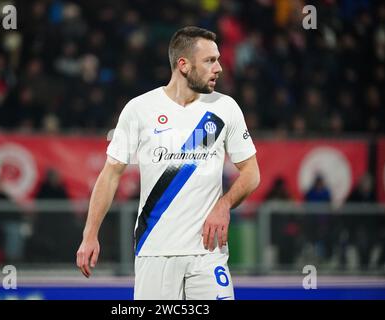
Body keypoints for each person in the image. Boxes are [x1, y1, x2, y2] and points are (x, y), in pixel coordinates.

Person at [76, 26, 260, 300]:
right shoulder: (139, 109)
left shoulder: (225, 108)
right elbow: (110, 175)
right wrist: (90, 234)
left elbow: (251, 173)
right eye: (210, 60)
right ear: (183, 65)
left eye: (218, 59)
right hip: (155, 252)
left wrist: (224, 205)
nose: (219, 67)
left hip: (208, 254)